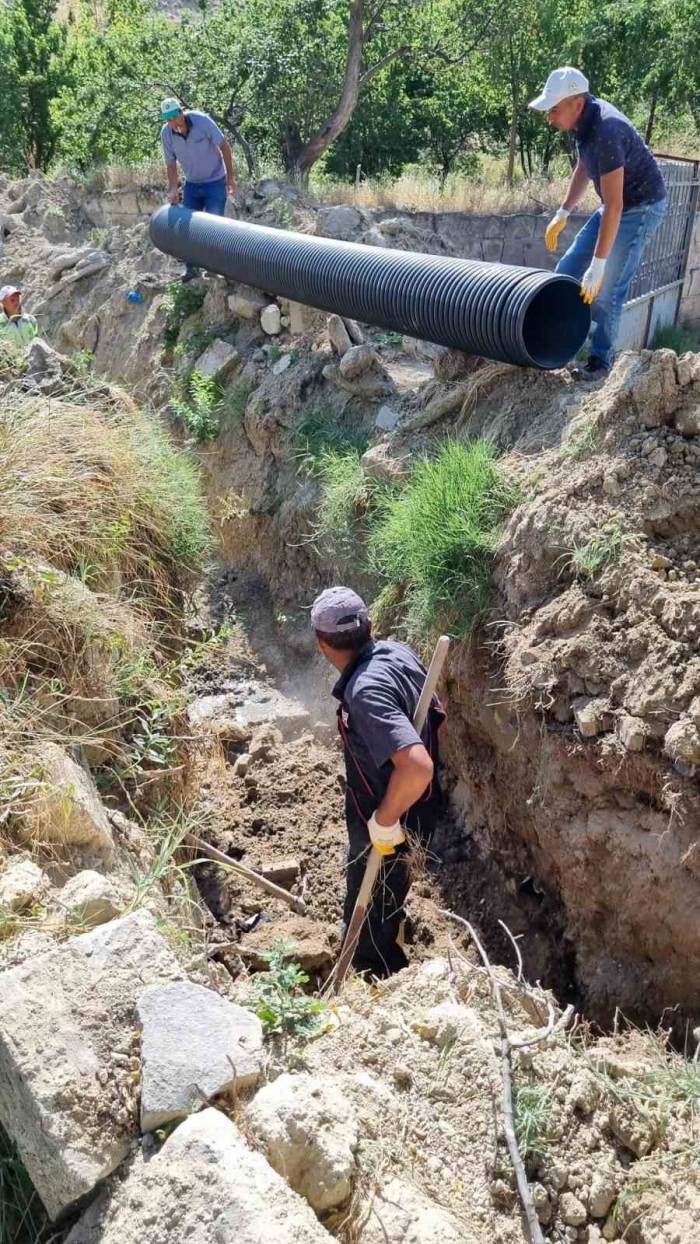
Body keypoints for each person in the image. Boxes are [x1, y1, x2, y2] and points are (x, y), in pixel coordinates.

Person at [311, 586, 445, 979]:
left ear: (322, 644)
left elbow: (416, 767)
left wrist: (385, 820)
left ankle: (377, 976)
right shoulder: (396, 653)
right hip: (414, 806)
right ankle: (388, 928)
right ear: (369, 625)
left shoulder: (366, 691)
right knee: (385, 893)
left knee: (371, 911)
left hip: (392, 820)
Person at [530, 67, 667, 381]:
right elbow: (584, 166)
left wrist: (599, 264)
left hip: (641, 207)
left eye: (554, 109)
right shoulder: (584, 123)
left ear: (577, 103)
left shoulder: (607, 130)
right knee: (566, 270)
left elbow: (616, 206)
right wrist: (563, 211)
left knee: (607, 291)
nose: (550, 118)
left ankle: (600, 363)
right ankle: (557, 346)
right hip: (615, 205)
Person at [159, 98, 237, 283]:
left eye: (175, 116)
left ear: (181, 112)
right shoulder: (166, 134)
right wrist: (173, 189)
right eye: (169, 119)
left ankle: (214, 268)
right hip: (192, 184)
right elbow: (171, 164)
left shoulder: (202, 121)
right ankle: (191, 268)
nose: (174, 121)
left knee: (214, 225)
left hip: (215, 181)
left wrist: (230, 178)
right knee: (187, 227)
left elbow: (224, 147)